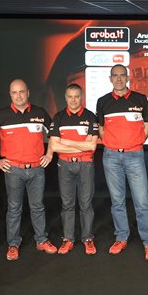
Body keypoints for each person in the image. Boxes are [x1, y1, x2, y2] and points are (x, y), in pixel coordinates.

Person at [96, 64, 148, 261]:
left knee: (142, 201)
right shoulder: (103, 101)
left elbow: (147, 125)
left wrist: (135, 142)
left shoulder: (140, 99)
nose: (119, 79)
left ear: (128, 77)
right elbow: (101, 128)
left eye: (122, 75)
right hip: (111, 157)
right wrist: (113, 144)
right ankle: (121, 237)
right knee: (117, 201)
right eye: (115, 76)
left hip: (134, 156)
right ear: (110, 79)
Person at [0, 79, 55, 262]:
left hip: (36, 169)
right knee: (14, 208)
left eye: (21, 92)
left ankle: (41, 240)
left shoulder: (39, 113)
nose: (18, 96)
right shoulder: (1, 115)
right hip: (13, 170)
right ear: (10, 95)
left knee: (38, 206)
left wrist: (49, 154)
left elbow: (54, 134)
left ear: (28, 92)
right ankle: (13, 244)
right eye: (14, 92)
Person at [48, 83, 99, 255]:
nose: (73, 100)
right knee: (67, 204)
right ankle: (68, 239)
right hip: (64, 165)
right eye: (70, 97)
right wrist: (81, 145)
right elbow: (55, 146)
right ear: (65, 98)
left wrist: (67, 142)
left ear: (81, 97)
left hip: (85, 165)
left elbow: (92, 147)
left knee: (86, 204)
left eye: (77, 96)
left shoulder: (90, 116)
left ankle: (88, 238)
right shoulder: (58, 117)